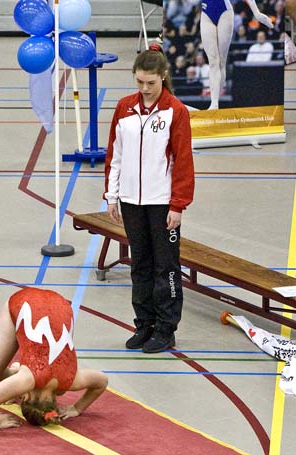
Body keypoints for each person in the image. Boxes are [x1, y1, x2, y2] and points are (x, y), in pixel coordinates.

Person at [103, 45, 195, 353]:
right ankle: (144, 324)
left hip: (162, 204)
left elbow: (183, 161)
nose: (145, 89)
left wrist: (178, 205)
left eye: (151, 83)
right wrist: (112, 196)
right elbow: (114, 154)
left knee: (165, 268)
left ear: (163, 77)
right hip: (131, 202)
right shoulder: (124, 108)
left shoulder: (176, 112)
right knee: (139, 265)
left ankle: (166, 329)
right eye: (140, 82)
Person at [0, 287, 108, 430]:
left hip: (61, 304)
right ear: (24, 397)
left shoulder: (72, 381)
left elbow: (102, 381)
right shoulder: (27, 380)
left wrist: (78, 408)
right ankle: (17, 372)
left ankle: (16, 372)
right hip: (26, 301)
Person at [199, 0, 272, 109]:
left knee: (221, 62)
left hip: (224, 12)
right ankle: (214, 103)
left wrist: (256, 12)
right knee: (213, 61)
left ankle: (216, 100)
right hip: (206, 13)